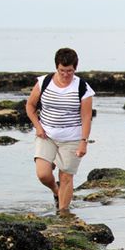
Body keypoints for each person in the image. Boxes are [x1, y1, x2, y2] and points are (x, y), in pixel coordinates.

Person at [25, 48, 95, 214]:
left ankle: (63, 215)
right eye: (62, 70)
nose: (65, 74)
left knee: (66, 177)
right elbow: (30, 106)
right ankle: (56, 191)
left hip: (72, 138)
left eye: (69, 71)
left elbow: (86, 118)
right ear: (56, 67)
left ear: (75, 68)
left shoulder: (82, 87)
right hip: (46, 135)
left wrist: (83, 143)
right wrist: (38, 127)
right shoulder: (44, 82)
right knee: (43, 174)